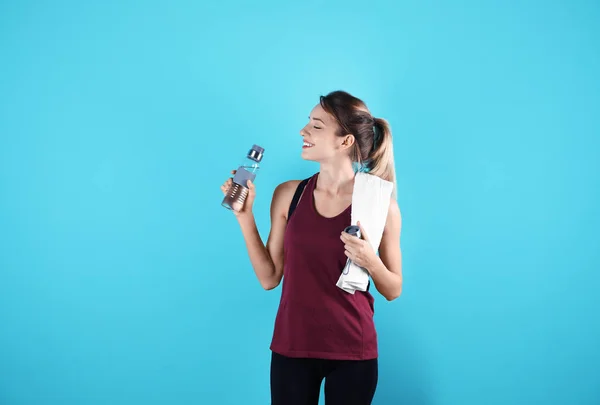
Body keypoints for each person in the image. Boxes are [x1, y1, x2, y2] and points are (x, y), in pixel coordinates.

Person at [220, 90, 403, 405]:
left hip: (352, 351)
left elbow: (393, 289)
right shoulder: (289, 195)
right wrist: (244, 216)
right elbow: (269, 278)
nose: (303, 131)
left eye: (316, 126)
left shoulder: (380, 204)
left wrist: (369, 261)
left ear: (344, 141)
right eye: (308, 123)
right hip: (292, 347)